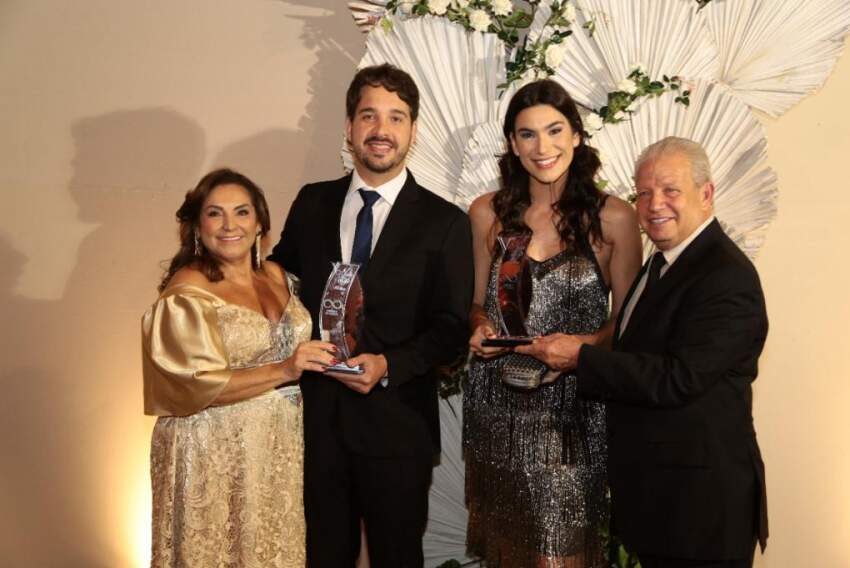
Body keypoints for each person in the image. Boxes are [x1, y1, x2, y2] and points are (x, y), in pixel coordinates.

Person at [517, 136, 769, 567]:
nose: (655, 204)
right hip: (661, 501)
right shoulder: (663, 263)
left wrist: (581, 360)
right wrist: (581, 348)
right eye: (644, 192)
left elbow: (677, 378)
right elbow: (637, 348)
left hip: (702, 509)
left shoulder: (726, 277)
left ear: (706, 194)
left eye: (671, 190)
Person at [268, 63, 474, 567]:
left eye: (396, 118)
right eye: (369, 116)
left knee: (397, 559)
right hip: (316, 424)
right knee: (322, 557)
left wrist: (389, 365)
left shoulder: (445, 221)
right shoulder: (311, 202)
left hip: (397, 426)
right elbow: (279, 276)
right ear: (349, 127)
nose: (382, 130)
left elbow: (451, 329)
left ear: (413, 132)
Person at [464, 79, 643, 567]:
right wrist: (479, 329)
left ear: (577, 136)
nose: (543, 147)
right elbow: (474, 304)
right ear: (511, 144)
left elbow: (627, 323)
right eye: (527, 134)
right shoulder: (486, 213)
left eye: (554, 130)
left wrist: (583, 346)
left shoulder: (614, 218)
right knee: (510, 550)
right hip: (496, 404)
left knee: (559, 555)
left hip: (573, 408)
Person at [143, 168, 336, 567]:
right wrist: (285, 369)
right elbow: (192, 386)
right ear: (198, 226)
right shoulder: (187, 292)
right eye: (215, 214)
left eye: (242, 212)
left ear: (261, 222)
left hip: (276, 450)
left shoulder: (280, 276)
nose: (230, 225)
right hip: (210, 451)